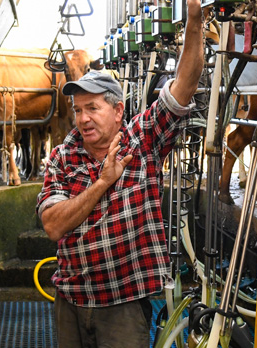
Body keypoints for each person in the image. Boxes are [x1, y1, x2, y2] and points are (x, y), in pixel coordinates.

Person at [36, 1, 204, 346]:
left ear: (117, 111)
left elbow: (184, 86)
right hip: (71, 300)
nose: (83, 119)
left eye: (92, 108)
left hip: (123, 302)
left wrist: (194, 19)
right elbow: (53, 225)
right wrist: (102, 182)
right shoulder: (63, 157)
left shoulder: (142, 141)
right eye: (78, 110)